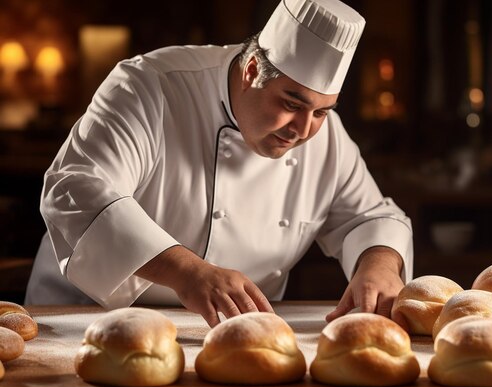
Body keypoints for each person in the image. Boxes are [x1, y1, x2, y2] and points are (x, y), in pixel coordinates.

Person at [25, 0, 414, 327]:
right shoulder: (150, 85)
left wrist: (379, 264)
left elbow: (367, 217)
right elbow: (75, 191)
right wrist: (187, 272)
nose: (303, 129)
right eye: (291, 104)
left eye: (322, 111)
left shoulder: (321, 131)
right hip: (83, 321)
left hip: (237, 334)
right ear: (250, 72)